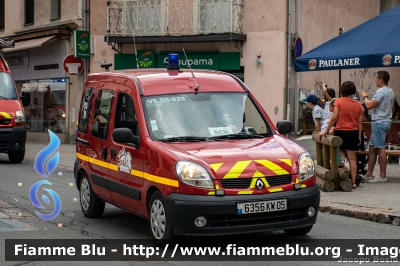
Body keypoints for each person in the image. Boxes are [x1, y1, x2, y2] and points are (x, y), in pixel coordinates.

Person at [320, 81, 363, 189]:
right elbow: (360, 122)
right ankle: (353, 182)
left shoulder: (338, 101)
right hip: (353, 132)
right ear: (353, 91)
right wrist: (359, 135)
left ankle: (342, 161)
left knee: (341, 148)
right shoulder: (358, 104)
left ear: (342, 90)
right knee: (352, 158)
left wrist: (326, 130)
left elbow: (334, 117)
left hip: (340, 131)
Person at [361, 70, 394, 183]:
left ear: (381, 79)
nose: (375, 80)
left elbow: (369, 105)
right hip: (385, 121)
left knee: (380, 148)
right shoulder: (390, 91)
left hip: (379, 122)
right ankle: (369, 174)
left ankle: (382, 176)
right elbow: (392, 108)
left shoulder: (380, 91)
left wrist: (365, 97)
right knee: (372, 148)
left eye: (376, 78)